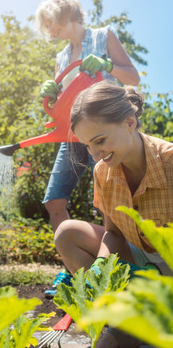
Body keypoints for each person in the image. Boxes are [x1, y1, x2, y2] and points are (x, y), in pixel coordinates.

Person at [34, 0, 140, 298]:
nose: (50, 31)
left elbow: (133, 77)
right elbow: (61, 102)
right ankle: (71, 273)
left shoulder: (103, 36)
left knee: (108, 202)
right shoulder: (62, 58)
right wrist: (52, 91)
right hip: (72, 134)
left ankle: (114, 272)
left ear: (67, 15)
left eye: (51, 23)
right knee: (53, 201)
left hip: (106, 131)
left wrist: (106, 63)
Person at [54, 80, 173, 347]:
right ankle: (125, 313)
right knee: (67, 233)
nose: (95, 155)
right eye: (87, 145)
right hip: (143, 262)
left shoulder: (170, 163)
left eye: (100, 140)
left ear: (130, 122)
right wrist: (99, 269)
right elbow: (113, 233)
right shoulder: (103, 172)